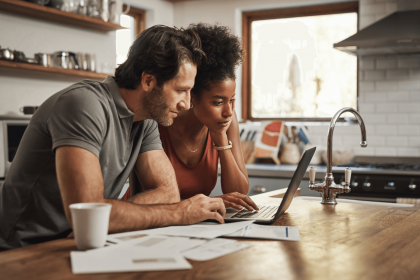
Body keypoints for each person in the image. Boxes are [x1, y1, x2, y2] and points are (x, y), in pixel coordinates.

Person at [0, 25, 226, 251]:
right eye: (180, 90)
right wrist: (180, 213)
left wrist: (108, 217)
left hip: (84, 243)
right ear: (148, 81)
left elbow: (167, 193)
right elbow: (89, 212)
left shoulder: (145, 119)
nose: (186, 104)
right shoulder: (84, 105)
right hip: (24, 250)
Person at [128, 23, 258, 211]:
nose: (228, 112)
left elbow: (239, 193)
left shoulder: (227, 121)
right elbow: (144, 197)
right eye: (218, 102)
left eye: (232, 100)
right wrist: (210, 202)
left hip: (194, 223)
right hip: (147, 220)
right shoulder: (159, 119)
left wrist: (220, 138)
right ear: (192, 96)